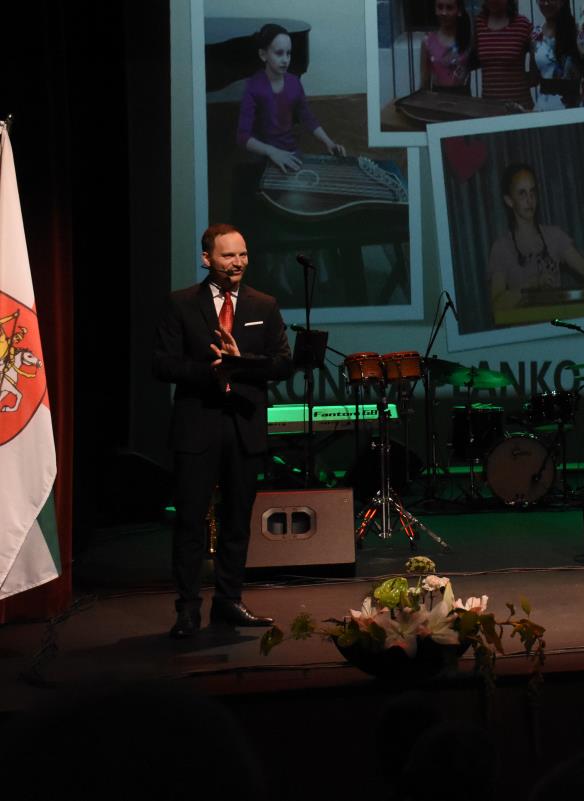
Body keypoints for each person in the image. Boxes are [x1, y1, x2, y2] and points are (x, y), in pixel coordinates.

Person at [152, 224, 292, 638]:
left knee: (237, 522)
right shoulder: (180, 304)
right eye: (228, 255)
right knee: (190, 522)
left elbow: (283, 363)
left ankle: (229, 601)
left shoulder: (264, 304)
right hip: (197, 426)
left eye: (243, 254)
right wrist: (211, 371)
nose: (238, 263)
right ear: (207, 258)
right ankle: (187, 609)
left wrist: (241, 362)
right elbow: (162, 364)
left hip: (244, 426)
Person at [487, 162, 584, 314]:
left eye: (533, 191)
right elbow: (497, 305)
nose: (530, 200)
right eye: (522, 193)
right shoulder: (501, 247)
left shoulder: (554, 236)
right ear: (509, 200)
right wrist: (531, 285)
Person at [236, 23, 346, 174]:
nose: (285, 60)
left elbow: (308, 118)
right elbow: (243, 137)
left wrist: (329, 142)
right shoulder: (253, 87)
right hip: (263, 155)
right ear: (263, 55)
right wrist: (272, 152)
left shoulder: (294, 83)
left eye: (288, 53)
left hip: (290, 151)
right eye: (279, 53)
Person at [475, 0, 534, 110]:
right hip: (488, 108)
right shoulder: (478, 24)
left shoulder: (523, 25)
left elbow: (538, 65)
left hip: (520, 108)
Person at [530, 0, 580, 110]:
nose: (546, 3)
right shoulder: (535, 34)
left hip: (574, 108)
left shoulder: (578, 32)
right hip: (544, 107)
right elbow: (533, 78)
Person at [420, 0, 473, 94]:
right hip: (437, 98)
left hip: (464, 99)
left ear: (459, 11)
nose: (444, 13)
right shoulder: (428, 41)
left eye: (449, 8)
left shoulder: (468, 39)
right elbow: (425, 81)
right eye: (440, 7)